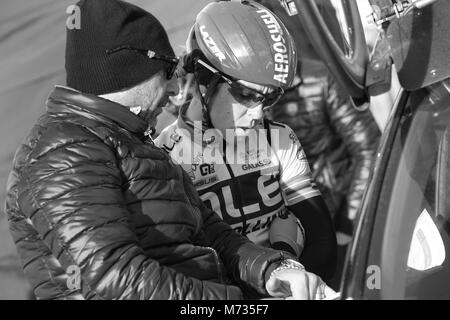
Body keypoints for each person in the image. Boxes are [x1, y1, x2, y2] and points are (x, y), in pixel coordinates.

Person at [4, 0, 334, 300]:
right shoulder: (62, 150)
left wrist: (270, 269)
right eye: (167, 69)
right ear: (128, 72)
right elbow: (113, 280)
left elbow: (211, 234)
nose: (177, 88)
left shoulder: (130, 141)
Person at [155, 0, 337, 283]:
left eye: (268, 98)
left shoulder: (279, 138)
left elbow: (323, 244)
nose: (257, 112)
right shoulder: (165, 158)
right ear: (204, 79)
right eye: (246, 94)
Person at [254, 0, 381, 243]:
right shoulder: (246, 97)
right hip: (289, 233)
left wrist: (349, 223)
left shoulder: (321, 78)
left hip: (337, 216)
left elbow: (369, 147)